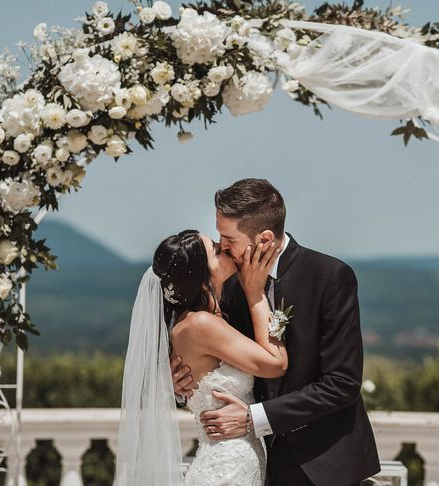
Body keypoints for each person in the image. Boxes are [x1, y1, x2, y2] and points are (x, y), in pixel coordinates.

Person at [173, 178, 381, 486]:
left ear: (265, 238)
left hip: (326, 464)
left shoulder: (329, 277)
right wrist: (181, 383)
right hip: (255, 465)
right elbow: (214, 360)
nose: (223, 247)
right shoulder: (225, 285)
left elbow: (342, 383)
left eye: (228, 237)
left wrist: (254, 419)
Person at [115, 228, 286, 486]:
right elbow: (275, 364)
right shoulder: (201, 324)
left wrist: (177, 390)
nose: (225, 248)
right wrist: (256, 293)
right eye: (216, 250)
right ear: (202, 277)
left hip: (235, 462)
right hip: (226, 468)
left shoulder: (200, 319)